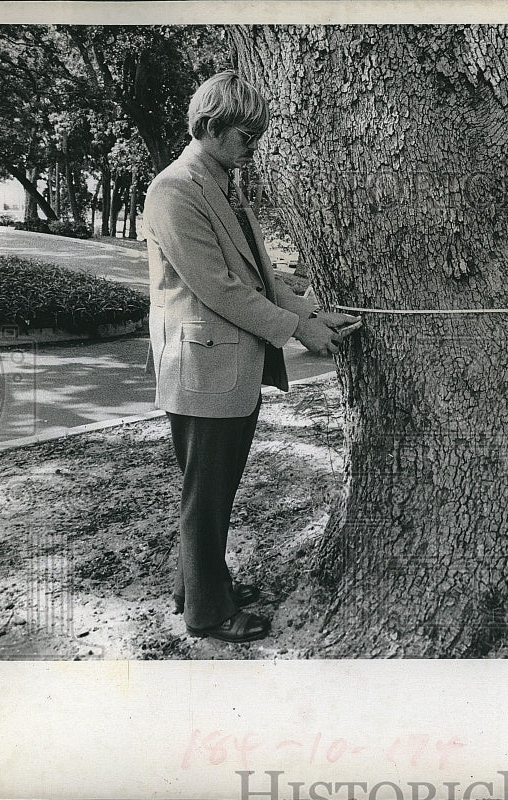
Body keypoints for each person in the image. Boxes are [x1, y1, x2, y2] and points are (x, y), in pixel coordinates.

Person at [144, 71, 360, 644]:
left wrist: (310, 316)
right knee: (207, 496)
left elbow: (259, 275)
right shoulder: (175, 189)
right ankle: (209, 615)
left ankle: (194, 587)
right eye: (246, 133)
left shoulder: (223, 182)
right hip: (200, 368)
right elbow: (219, 287)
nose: (253, 146)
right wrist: (297, 332)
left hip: (225, 366)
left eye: (258, 134)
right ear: (211, 123)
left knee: (211, 490)